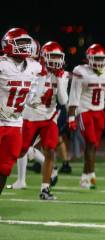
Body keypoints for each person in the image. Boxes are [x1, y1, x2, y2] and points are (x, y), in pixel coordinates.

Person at [14, 41, 69, 200]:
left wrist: (58, 80)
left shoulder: (63, 74)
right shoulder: (34, 70)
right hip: (30, 117)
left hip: (49, 117)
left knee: (50, 151)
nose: (56, 60)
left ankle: (45, 189)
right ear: (44, 56)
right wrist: (42, 75)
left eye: (58, 57)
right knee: (19, 151)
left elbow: (63, 100)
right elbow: (32, 98)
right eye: (52, 56)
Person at [68, 43, 105, 189]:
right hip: (85, 111)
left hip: (99, 112)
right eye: (96, 58)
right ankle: (91, 175)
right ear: (89, 58)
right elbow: (74, 95)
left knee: (94, 146)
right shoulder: (81, 71)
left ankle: (85, 177)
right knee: (90, 143)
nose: (99, 62)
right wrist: (72, 117)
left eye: (101, 58)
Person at [0, 28, 42, 194]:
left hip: (15, 123)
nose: (25, 46)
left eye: (26, 42)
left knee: (4, 169)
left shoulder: (34, 67)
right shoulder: (2, 65)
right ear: (8, 44)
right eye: (20, 43)